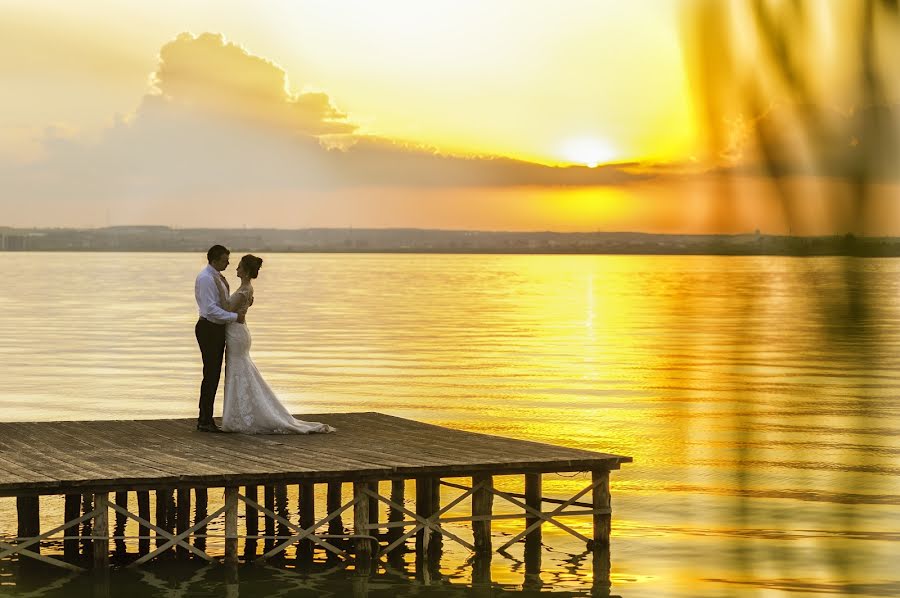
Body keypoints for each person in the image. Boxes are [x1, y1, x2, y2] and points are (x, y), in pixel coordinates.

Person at [218, 254, 335, 435]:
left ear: (246, 270)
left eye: (239, 267)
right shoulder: (246, 289)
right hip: (239, 333)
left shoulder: (244, 291)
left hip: (237, 334)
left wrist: (223, 286)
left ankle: (241, 416)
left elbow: (226, 309)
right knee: (240, 371)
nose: (236, 269)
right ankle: (238, 414)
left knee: (238, 371)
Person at [194, 245, 246, 433]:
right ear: (215, 260)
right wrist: (234, 318)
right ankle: (204, 419)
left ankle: (207, 418)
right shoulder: (207, 278)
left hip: (217, 328)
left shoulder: (217, 277)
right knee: (211, 374)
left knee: (214, 374)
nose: (228, 263)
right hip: (208, 328)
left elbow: (224, 303)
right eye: (225, 260)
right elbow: (210, 310)